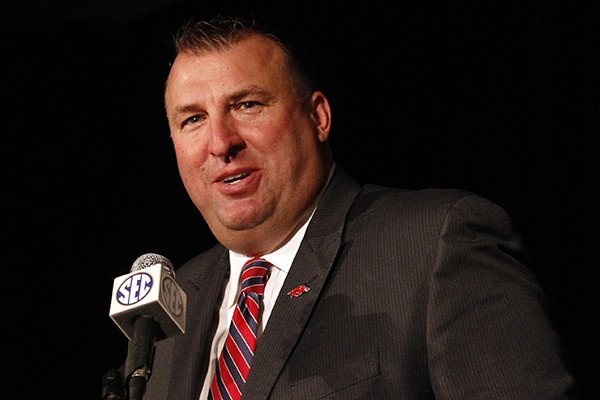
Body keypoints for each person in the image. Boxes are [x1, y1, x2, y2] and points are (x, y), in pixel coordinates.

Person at [143, 15, 577, 400]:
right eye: (193, 119)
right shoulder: (173, 303)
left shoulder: (436, 243)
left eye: (247, 105)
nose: (221, 143)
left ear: (318, 117)